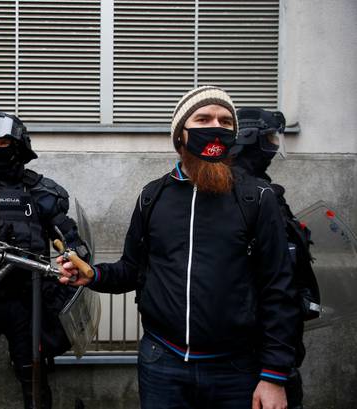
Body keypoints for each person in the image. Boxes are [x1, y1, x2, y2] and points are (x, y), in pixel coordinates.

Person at [58, 86, 300, 409]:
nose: (215, 126)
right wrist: (92, 276)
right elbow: (132, 269)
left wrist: (273, 376)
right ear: (180, 135)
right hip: (162, 364)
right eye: (203, 118)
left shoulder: (257, 198)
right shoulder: (152, 197)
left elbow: (279, 290)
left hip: (236, 370)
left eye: (225, 121)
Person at [0, 106, 89, 409]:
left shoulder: (39, 191)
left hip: (27, 301)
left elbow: (69, 241)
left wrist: (74, 258)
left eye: (3, 144)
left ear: (18, 146)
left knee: (33, 378)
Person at [234, 107, 320, 409]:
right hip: (257, 345)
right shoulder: (245, 195)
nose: (273, 146)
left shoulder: (266, 190)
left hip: (276, 342)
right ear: (247, 139)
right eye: (268, 138)